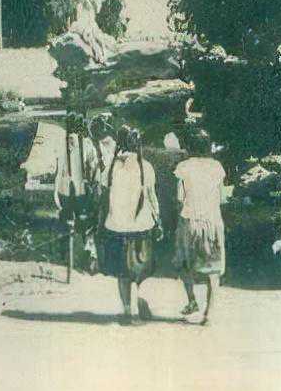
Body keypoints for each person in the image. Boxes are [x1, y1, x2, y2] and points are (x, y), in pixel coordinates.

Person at [97, 125, 160, 324]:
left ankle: (127, 309)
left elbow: (102, 194)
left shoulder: (111, 167)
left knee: (122, 272)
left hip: (116, 226)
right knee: (140, 270)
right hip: (140, 227)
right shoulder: (146, 167)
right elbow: (152, 197)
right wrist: (158, 219)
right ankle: (137, 304)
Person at [172, 129, 227, 324]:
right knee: (213, 269)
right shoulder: (217, 167)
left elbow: (180, 198)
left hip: (189, 220)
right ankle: (208, 314)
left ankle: (192, 301)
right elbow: (223, 198)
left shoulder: (183, 167)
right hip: (212, 222)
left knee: (183, 264)